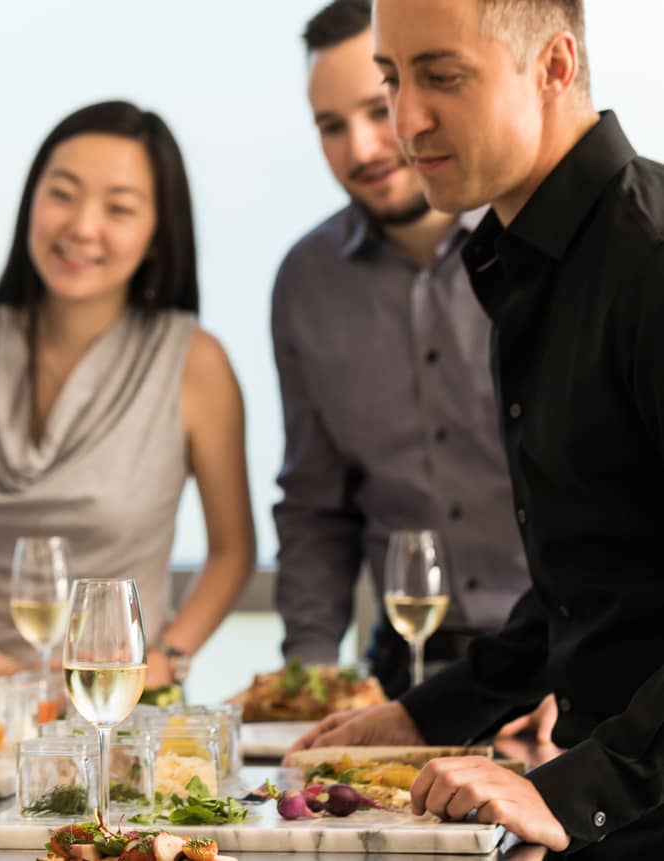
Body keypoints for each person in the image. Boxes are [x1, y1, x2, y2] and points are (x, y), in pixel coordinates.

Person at [294, 0, 664, 852]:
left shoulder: (650, 258)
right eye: (393, 78)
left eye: (442, 77)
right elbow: (595, 584)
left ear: (555, 68)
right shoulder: (522, 263)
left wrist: (582, 791)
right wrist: (421, 714)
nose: (401, 120)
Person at [0, 101, 257, 688]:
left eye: (120, 208)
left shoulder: (195, 361)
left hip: (119, 700)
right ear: (32, 200)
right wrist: (7, 679)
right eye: (63, 194)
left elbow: (232, 552)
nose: (82, 225)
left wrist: (169, 658)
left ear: (158, 232)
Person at [273, 0, 530, 698]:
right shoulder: (306, 282)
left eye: (377, 104)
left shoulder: (546, 249)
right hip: (403, 677)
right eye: (331, 125)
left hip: (562, 674)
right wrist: (312, 674)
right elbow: (315, 505)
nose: (360, 147)